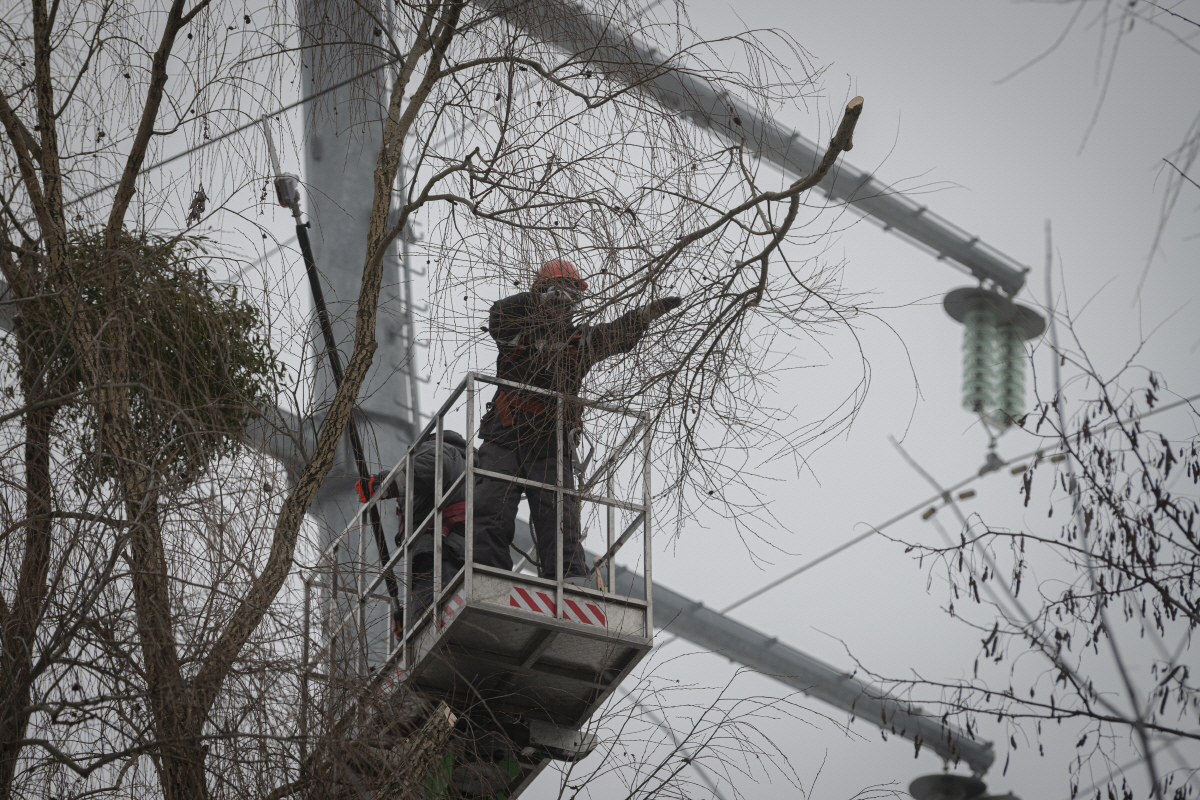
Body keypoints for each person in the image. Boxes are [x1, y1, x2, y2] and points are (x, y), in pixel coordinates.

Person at [473, 258, 681, 583]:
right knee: (489, 509)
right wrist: (536, 300)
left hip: (551, 445)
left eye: (570, 294)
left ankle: (568, 582)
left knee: (559, 521)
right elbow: (499, 314)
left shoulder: (579, 342)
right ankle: (487, 576)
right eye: (556, 291)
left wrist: (642, 317)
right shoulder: (516, 330)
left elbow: (615, 336)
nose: (563, 300)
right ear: (539, 292)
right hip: (506, 435)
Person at [356, 430, 472, 613]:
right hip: (462, 552)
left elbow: (433, 467)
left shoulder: (434, 447)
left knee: (431, 617)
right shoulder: (473, 468)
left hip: (441, 552)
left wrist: (383, 484)